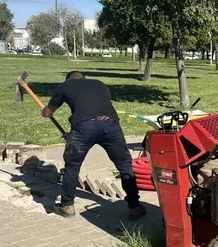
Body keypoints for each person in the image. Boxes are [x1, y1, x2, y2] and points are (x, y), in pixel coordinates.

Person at [41, 71, 146, 220]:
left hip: (84, 127)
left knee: (72, 167)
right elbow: (95, 107)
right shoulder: (99, 84)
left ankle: (67, 206)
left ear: (69, 80)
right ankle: (135, 206)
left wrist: (45, 111)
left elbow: (48, 112)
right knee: (124, 165)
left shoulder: (65, 86)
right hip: (110, 124)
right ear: (84, 78)